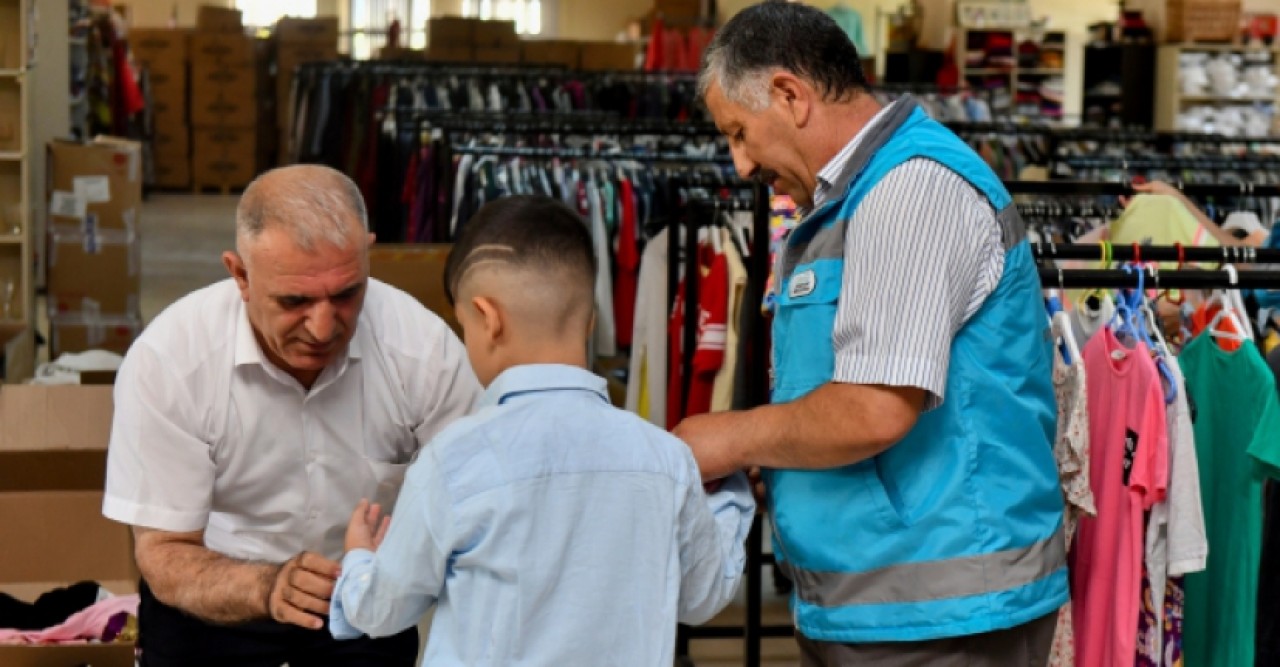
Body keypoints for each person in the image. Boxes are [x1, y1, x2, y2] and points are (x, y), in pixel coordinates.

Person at [679, 3, 1067, 664]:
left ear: (789, 95)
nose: (739, 163)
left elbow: (874, 408)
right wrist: (786, 455)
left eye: (740, 133)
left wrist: (731, 435)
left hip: (939, 614)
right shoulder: (848, 204)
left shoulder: (909, 191)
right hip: (885, 602)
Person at [327, 195, 756, 664]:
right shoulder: (664, 459)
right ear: (590, 322)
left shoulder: (454, 461)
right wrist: (731, 493)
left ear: (488, 320)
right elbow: (701, 595)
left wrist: (359, 560)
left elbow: (384, 609)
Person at [102, 165, 481, 667]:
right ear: (240, 275)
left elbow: (476, 516)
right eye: (294, 301)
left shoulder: (425, 352)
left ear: (367, 252)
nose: (323, 328)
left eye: (346, 294)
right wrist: (270, 587)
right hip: (215, 599)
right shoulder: (171, 362)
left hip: (364, 599)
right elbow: (164, 554)